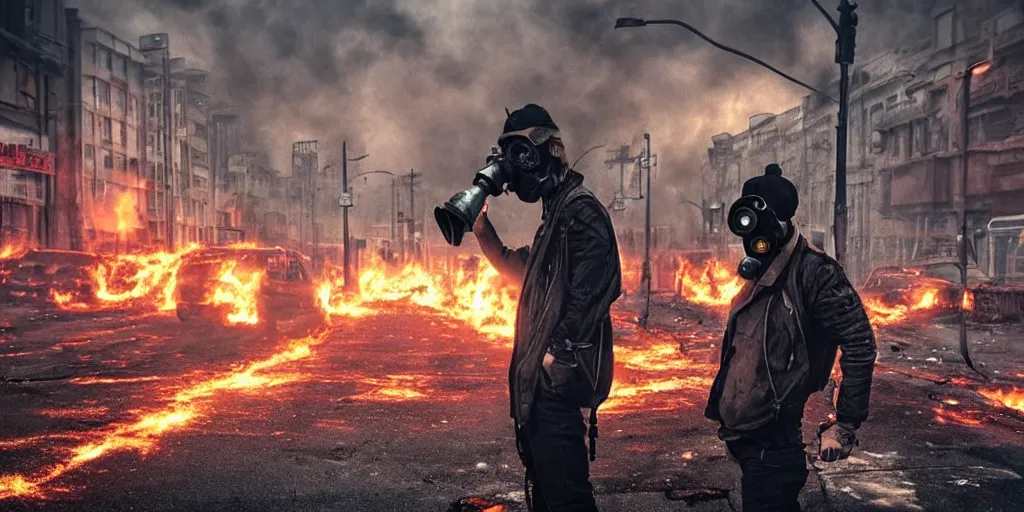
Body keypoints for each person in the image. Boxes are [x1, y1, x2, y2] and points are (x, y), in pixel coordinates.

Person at [471, 104, 622, 512]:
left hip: (555, 390)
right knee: (550, 498)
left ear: (539, 153)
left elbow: (597, 287)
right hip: (540, 392)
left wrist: (556, 353)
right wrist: (482, 230)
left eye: (519, 156)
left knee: (567, 502)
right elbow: (521, 269)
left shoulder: (581, 210)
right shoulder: (557, 214)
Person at [704, 164, 877, 512]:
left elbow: (860, 343)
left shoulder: (816, 272)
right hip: (749, 435)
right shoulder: (763, 267)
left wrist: (845, 424)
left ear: (783, 224)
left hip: (776, 438)